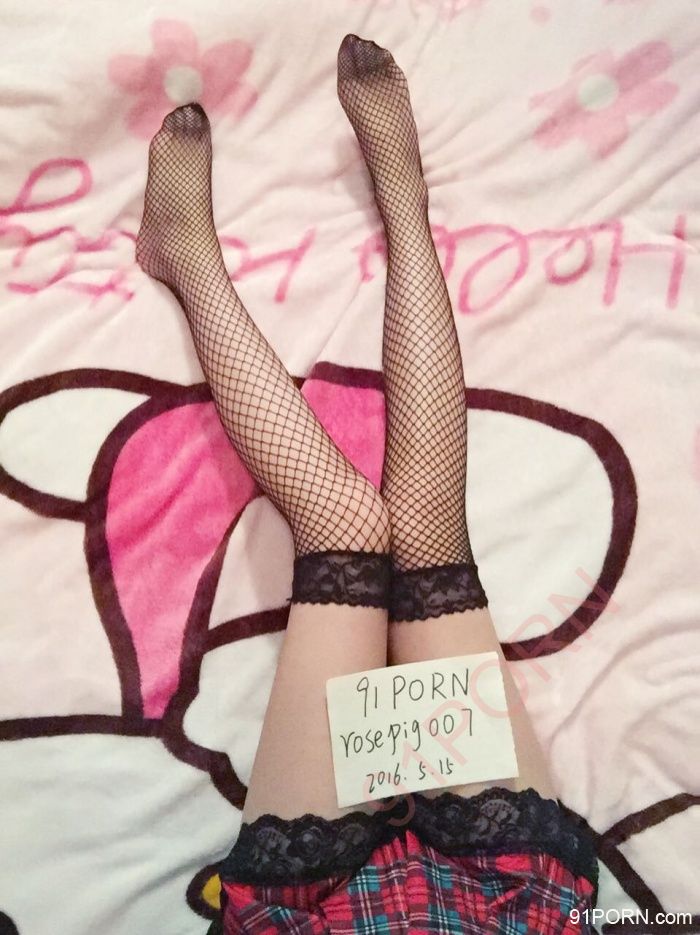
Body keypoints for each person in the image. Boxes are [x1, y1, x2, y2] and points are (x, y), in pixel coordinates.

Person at [136, 33, 598, 934]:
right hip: (510, 900)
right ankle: (404, 202)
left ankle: (187, 255)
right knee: (426, 534)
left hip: (315, 915)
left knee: (346, 527)